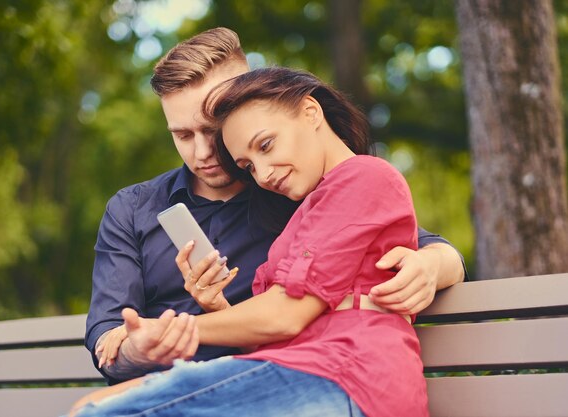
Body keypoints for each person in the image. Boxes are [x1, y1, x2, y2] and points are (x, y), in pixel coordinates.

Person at [86, 27, 466, 385]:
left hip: (278, 380)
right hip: (178, 385)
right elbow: (108, 337)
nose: (202, 152)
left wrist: (431, 265)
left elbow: (424, 246)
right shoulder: (132, 209)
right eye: (183, 135)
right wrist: (143, 347)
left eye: (214, 131)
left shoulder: (299, 185)